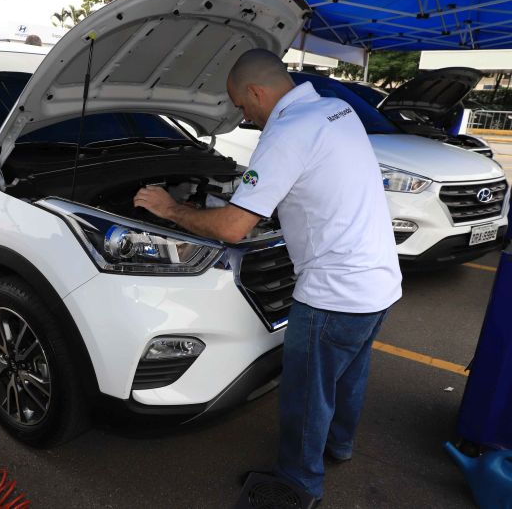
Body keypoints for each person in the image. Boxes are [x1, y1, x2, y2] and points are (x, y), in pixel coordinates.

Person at [133, 49, 402, 502]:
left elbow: (235, 228)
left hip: (334, 293)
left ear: (257, 91)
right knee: (347, 376)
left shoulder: (287, 132)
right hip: (379, 284)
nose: (246, 116)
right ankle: (339, 446)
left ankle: (298, 482)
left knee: (305, 395)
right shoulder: (334, 109)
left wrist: (171, 208)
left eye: (242, 105)